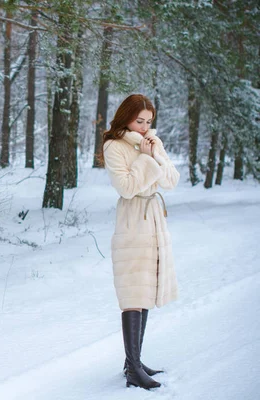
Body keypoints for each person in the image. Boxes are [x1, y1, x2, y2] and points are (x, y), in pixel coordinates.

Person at [100, 94, 180, 390]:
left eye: (148, 122)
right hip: (133, 219)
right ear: (126, 118)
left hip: (155, 219)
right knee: (133, 289)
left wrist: (155, 154)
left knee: (145, 287)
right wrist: (146, 159)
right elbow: (126, 187)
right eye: (139, 121)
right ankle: (133, 369)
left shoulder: (152, 142)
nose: (145, 127)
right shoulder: (114, 146)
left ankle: (133, 360)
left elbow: (171, 180)